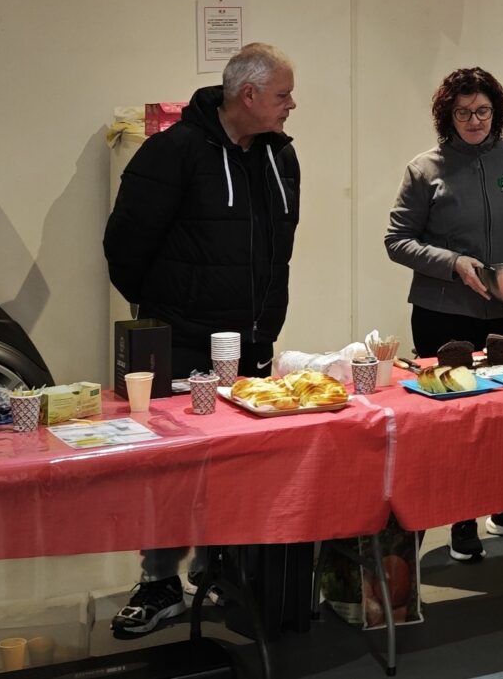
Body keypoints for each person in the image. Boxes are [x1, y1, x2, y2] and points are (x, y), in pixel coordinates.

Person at [102, 42, 303, 637]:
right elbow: (124, 246)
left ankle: (220, 571)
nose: (291, 105)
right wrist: (170, 308)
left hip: (251, 342)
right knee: (170, 468)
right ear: (249, 95)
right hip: (181, 339)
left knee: (236, 465)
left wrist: (263, 320)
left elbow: (279, 246)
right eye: (283, 95)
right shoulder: (172, 152)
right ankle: (158, 581)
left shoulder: (280, 156)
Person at [385, 67, 503, 561]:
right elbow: (397, 241)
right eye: (463, 113)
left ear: (496, 112)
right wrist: (453, 263)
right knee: (457, 418)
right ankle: (462, 518)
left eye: (482, 111)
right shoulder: (424, 169)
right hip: (443, 313)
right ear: (447, 116)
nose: (474, 121)